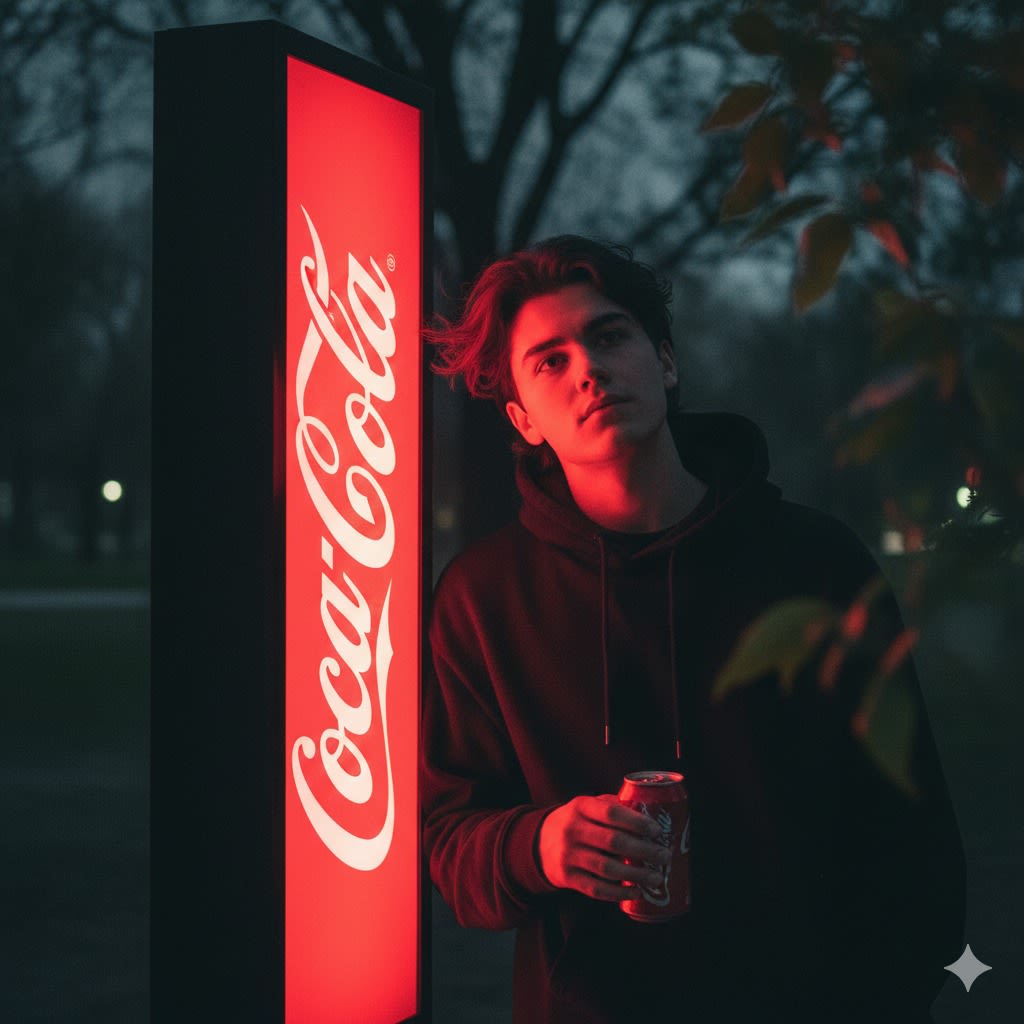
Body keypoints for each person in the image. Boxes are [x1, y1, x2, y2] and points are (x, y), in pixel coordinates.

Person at [421, 235, 965, 1023]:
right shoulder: (482, 596)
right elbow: (447, 843)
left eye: (609, 337)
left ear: (665, 363)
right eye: (550, 360)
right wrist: (538, 845)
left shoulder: (813, 561)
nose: (589, 369)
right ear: (522, 419)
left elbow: (913, 834)